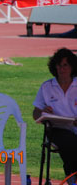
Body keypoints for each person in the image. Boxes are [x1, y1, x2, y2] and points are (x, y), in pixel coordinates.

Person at [33, 48, 77, 183]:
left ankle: (71, 175)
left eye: (65, 65)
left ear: (72, 67)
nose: (62, 69)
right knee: (70, 142)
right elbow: (35, 113)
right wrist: (43, 112)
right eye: (59, 65)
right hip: (56, 129)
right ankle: (72, 177)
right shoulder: (47, 87)